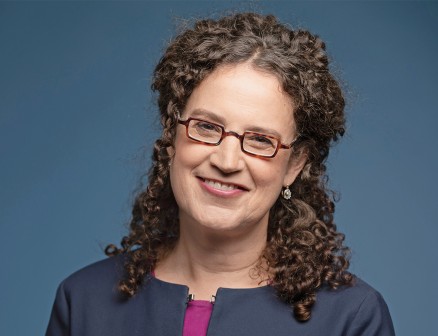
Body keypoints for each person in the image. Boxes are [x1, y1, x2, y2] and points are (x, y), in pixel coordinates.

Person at [46, 12, 395, 336]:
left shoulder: (351, 318)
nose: (227, 161)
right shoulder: (83, 302)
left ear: (295, 164)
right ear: (171, 139)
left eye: (260, 140)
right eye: (207, 127)